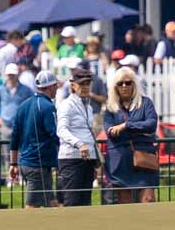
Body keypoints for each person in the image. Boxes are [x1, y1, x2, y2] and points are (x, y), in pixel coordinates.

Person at [100, 67, 160, 204]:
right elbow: (110, 131)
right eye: (120, 83)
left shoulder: (146, 103)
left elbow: (151, 124)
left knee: (148, 200)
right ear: (115, 87)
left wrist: (126, 126)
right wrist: (139, 127)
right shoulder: (110, 108)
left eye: (128, 83)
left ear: (134, 84)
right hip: (120, 161)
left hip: (144, 159)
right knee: (125, 204)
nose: (124, 86)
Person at [9, 69, 62, 207]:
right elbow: (54, 134)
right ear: (50, 87)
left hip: (26, 163)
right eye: (55, 86)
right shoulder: (48, 106)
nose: (56, 89)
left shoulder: (23, 105)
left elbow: (14, 136)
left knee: (52, 203)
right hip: (37, 165)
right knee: (32, 207)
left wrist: (13, 164)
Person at [55, 64, 98, 207]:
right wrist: (79, 143)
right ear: (73, 86)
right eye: (81, 84)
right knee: (72, 202)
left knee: (85, 202)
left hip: (87, 159)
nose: (85, 87)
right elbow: (61, 130)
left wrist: (94, 158)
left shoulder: (89, 107)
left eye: (87, 83)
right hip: (71, 158)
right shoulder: (66, 105)